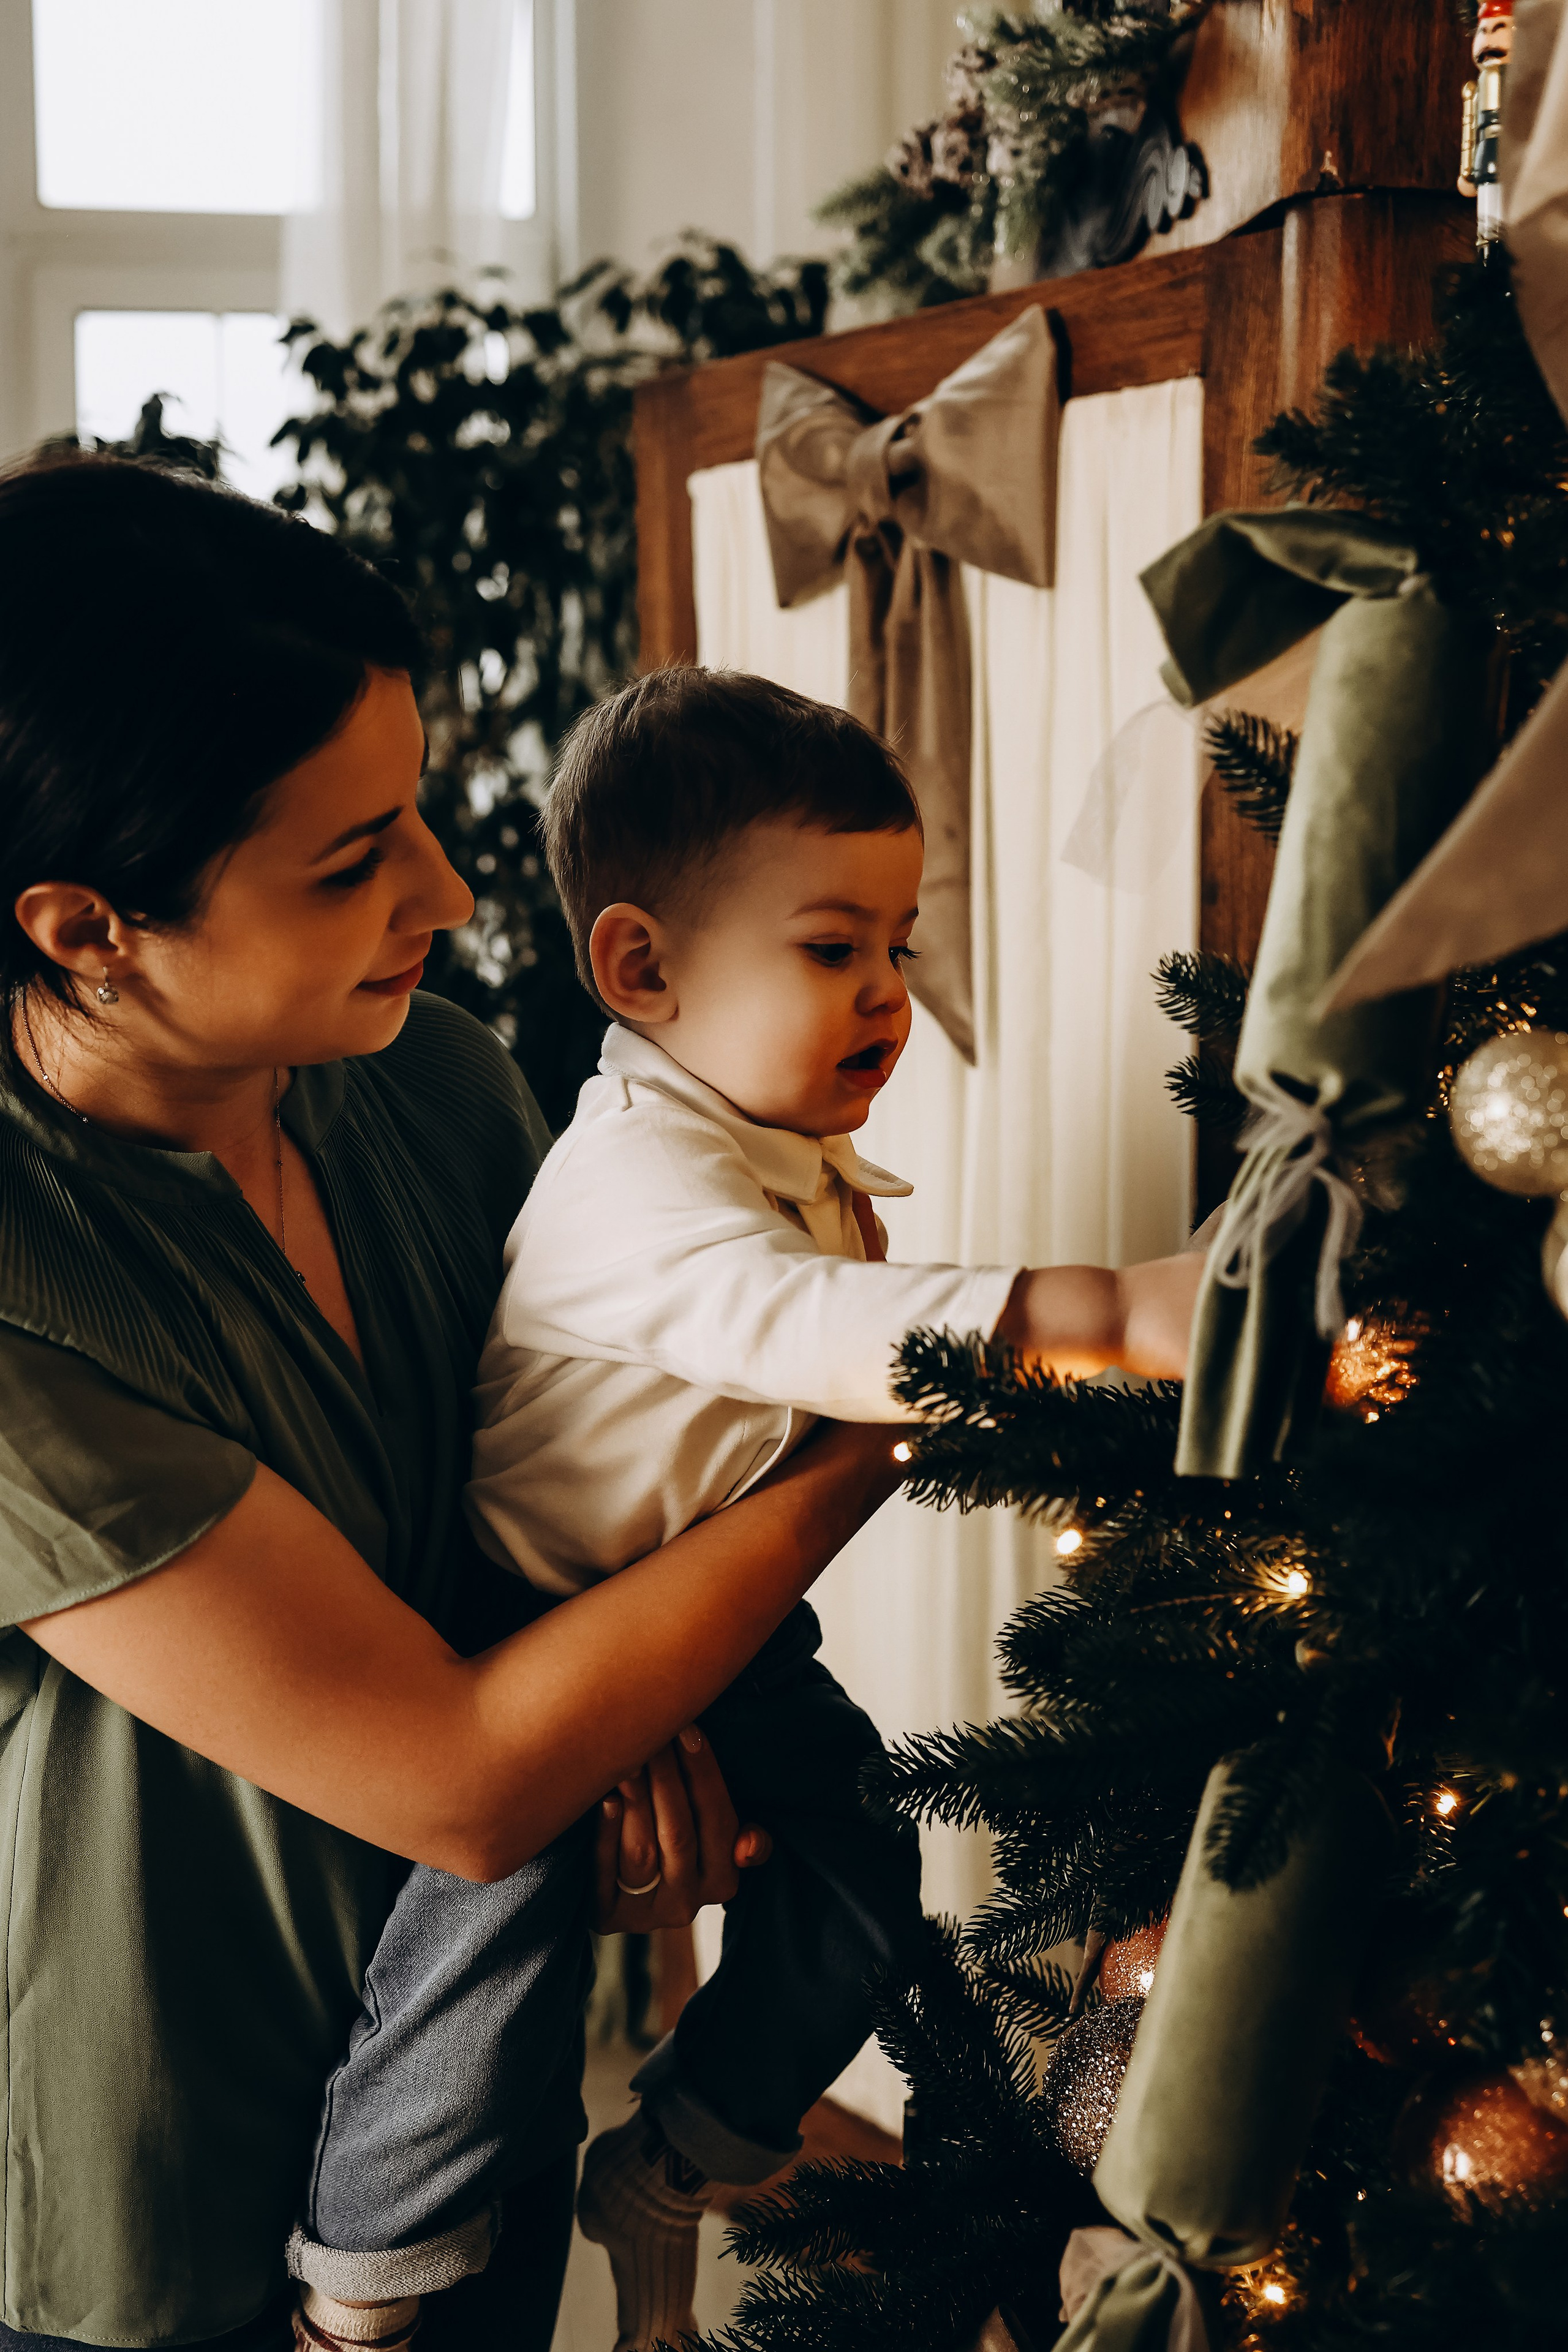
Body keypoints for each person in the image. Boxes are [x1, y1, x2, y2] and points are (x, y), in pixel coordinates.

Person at [0, 450, 911, 2352]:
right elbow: (461, 1774)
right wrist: (863, 1440)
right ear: (86, 929)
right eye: (350, 861)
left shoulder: (439, 1085)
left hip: (478, 2132)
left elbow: (579, 1541)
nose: (444, 883)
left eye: (411, 806)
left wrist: (646, 1749)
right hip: (144, 2212)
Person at [287, 670, 1205, 2352]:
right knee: (485, 1942)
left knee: (864, 1858)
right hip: (531, 1619)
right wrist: (1119, 1310)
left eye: (901, 945)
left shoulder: (763, 1145)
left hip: (711, 1614)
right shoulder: (635, 1181)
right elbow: (825, 1335)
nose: (886, 996)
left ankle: (682, 2157)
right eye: (831, 948)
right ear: (640, 968)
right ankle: (362, 2275)